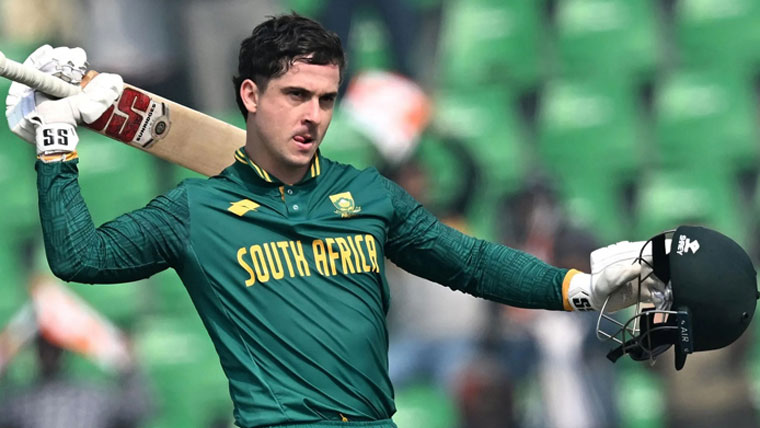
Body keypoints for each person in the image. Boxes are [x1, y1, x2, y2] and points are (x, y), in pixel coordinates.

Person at [4, 13, 662, 428]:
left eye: (325, 99)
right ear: (250, 96)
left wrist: (581, 288)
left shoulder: (367, 195)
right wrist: (56, 145)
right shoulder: (194, 210)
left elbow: (471, 262)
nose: (312, 117)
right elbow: (80, 259)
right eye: (296, 95)